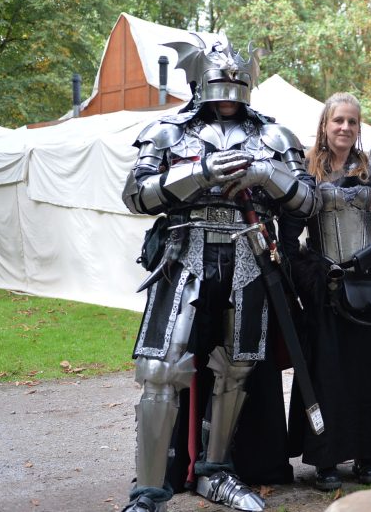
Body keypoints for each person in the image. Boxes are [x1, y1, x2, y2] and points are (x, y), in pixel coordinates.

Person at [120, 31, 319, 512]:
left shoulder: (273, 135)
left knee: (236, 367)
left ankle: (215, 471)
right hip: (183, 253)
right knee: (160, 369)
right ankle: (149, 490)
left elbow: (309, 201)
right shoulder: (169, 132)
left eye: (237, 79)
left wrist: (265, 174)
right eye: (219, 79)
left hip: (249, 254)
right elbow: (135, 194)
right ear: (198, 79)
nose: (228, 90)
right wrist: (202, 172)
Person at [280, 93, 371, 491]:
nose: (345, 128)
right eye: (338, 120)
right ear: (325, 124)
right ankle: (326, 458)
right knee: (329, 376)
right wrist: (309, 280)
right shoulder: (306, 174)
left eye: (352, 122)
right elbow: (289, 239)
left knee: (370, 373)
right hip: (328, 291)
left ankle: (367, 454)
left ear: (359, 128)